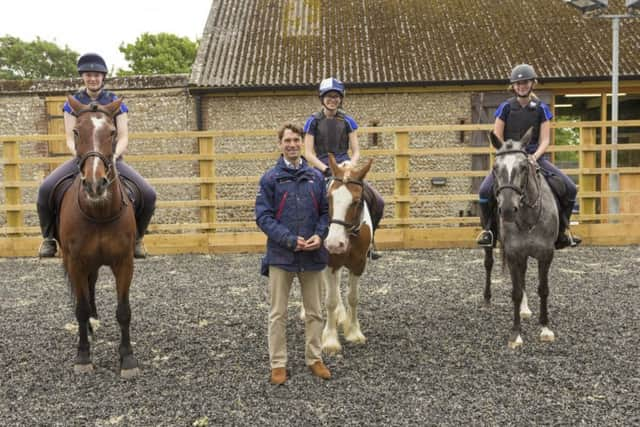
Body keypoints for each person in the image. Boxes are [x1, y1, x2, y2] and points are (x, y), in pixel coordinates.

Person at [36, 53, 156, 259]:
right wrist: (83, 157)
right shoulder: (73, 102)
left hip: (111, 160)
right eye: (89, 74)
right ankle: (48, 239)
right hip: (82, 158)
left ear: (103, 77)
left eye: (97, 75)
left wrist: (114, 157)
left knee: (148, 194)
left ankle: (137, 239)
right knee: (45, 189)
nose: (93, 78)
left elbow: (124, 136)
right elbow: (69, 138)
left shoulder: (114, 102)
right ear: (83, 76)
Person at [255, 123, 332, 385]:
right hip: (281, 255)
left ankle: (315, 358)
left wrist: (320, 235)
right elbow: (263, 217)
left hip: (312, 254)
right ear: (280, 145)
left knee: (315, 311)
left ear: (302, 144)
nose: (291, 145)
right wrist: (288, 240)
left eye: (296, 140)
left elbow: (325, 212)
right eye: (287, 140)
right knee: (278, 313)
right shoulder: (269, 179)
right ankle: (278, 363)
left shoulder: (316, 178)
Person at [477, 64, 581, 250]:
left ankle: (563, 231)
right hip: (509, 159)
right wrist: (507, 155)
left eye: (524, 82)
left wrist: (534, 156)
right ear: (513, 86)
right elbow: (497, 136)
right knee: (484, 191)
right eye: (517, 83)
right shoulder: (505, 108)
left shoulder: (541, 109)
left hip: (535, 157)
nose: (521, 86)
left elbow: (545, 140)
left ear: (532, 83)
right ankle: (489, 231)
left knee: (570, 188)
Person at [303, 77, 384, 259]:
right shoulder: (312, 122)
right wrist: (326, 170)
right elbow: (308, 153)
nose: (333, 99)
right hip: (321, 166)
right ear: (322, 98)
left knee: (378, 201)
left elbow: (356, 151)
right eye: (329, 96)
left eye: (336, 96)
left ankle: (370, 243)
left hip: (345, 165)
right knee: (309, 200)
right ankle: (310, 240)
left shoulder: (348, 121)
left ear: (341, 98)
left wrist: (350, 166)